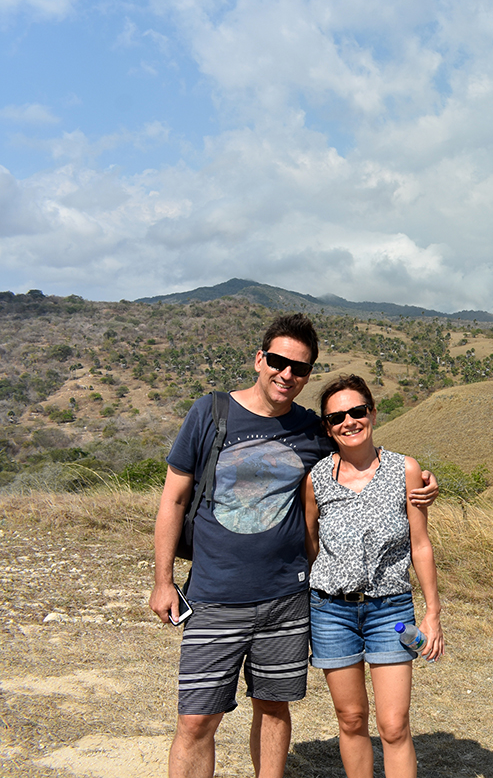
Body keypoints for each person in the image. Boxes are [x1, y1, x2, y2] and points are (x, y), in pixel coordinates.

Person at [150, 314, 438, 778]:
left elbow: (360, 456)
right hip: (213, 595)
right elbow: (174, 499)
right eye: (278, 361)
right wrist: (163, 581)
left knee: (273, 709)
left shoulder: (310, 429)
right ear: (259, 359)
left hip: (287, 599)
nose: (286, 374)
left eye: (299, 368)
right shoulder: (210, 413)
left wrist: (421, 481)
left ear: (307, 375)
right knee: (197, 719)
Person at [303, 374, 445, 778]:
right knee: (350, 719)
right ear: (327, 427)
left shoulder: (406, 469)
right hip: (331, 613)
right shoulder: (316, 479)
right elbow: (310, 543)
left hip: (391, 612)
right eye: (336, 417)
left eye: (357, 411)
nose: (349, 422)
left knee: (394, 725)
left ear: (373, 413)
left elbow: (421, 544)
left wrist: (432, 613)